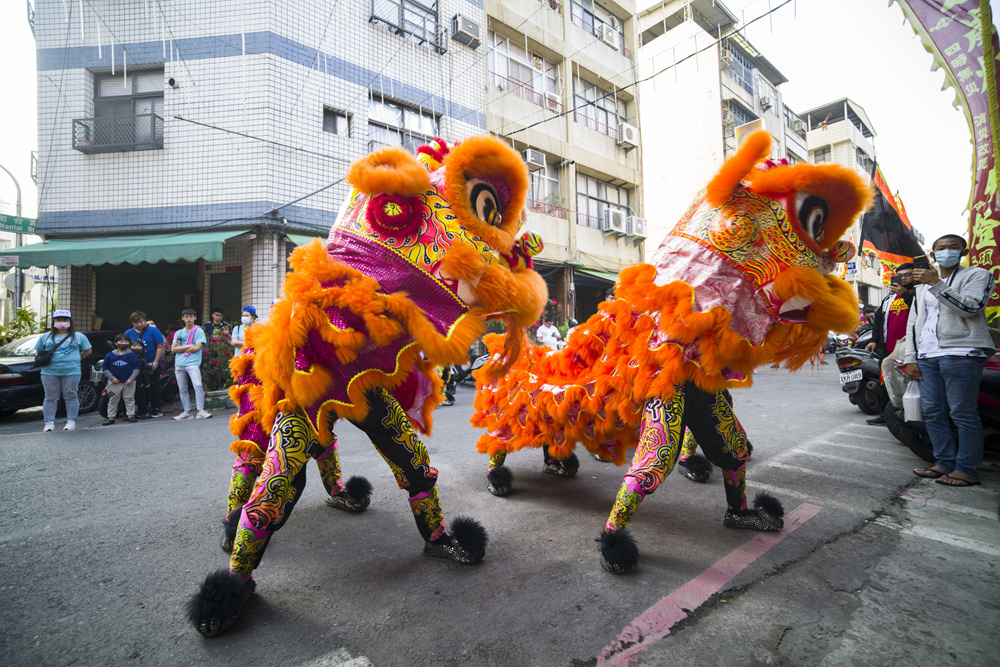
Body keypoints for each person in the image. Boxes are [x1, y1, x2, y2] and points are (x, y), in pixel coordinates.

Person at [904, 234, 996, 487]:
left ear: (963, 252)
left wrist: (937, 284)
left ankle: (966, 469)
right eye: (941, 248)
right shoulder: (922, 285)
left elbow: (971, 308)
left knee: (962, 413)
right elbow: (914, 323)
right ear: (932, 255)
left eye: (953, 248)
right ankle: (944, 462)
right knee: (933, 412)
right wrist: (911, 357)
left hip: (961, 353)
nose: (947, 252)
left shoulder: (977, 275)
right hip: (928, 356)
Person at [864, 263, 915, 424]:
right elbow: (878, 321)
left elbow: (919, 310)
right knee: (887, 381)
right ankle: (888, 414)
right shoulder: (889, 298)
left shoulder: (919, 293)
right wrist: (873, 340)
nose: (904, 278)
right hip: (889, 348)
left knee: (910, 383)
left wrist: (905, 294)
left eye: (908, 274)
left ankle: (910, 415)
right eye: (900, 275)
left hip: (910, 348)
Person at [34, 310, 93, 432]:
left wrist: (76, 359)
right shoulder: (45, 337)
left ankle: (71, 421)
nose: (62, 322)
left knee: (71, 396)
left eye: (65, 320)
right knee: (50, 397)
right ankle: (49, 423)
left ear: (70, 321)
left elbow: (88, 351)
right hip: (49, 372)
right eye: (58, 320)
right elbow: (39, 352)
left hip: (72, 371)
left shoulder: (79, 336)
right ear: (54, 322)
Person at [172, 307, 212, 420]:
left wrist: (181, 347)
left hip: (192, 363)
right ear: (183, 318)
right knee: (182, 388)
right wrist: (190, 346)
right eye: (186, 317)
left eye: (191, 316)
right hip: (179, 363)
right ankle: (187, 411)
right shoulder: (179, 333)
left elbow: (197, 347)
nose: (189, 319)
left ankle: (200, 411)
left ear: (195, 318)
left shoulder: (198, 331)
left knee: (198, 386)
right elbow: (173, 349)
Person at [124, 311, 165, 418]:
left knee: (153, 386)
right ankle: (142, 409)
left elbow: (160, 346)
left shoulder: (153, 330)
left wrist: (156, 361)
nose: (139, 325)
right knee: (139, 387)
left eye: (141, 322)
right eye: (136, 323)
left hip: (151, 363)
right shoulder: (128, 333)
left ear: (145, 321)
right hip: (136, 365)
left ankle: (156, 408)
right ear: (132, 323)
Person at [102, 333, 141, 426]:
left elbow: (136, 368)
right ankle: (111, 417)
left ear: (129, 343)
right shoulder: (110, 355)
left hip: (129, 382)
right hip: (114, 382)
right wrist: (111, 378)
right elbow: (105, 368)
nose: (123, 343)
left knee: (129, 399)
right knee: (113, 399)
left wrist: (131, 379)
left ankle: (131, 415)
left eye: (125, 341)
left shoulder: (132, 355)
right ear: (115, 343)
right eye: (121, 341)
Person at [129, 338, 152, 418]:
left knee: (141, 397)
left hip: (140, 381)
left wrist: (147, 382)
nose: (136, 348)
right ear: (129, 347)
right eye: (134, 346)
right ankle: (128, 414)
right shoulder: (127, 358)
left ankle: (142, 412)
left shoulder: (142, 359)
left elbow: (144, 372)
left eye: (139, 346)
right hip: (128, 381)